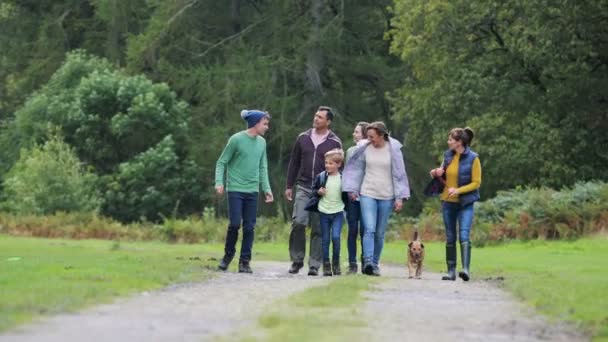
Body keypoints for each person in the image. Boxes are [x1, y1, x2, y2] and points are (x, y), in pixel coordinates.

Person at [343, 121, 410, 276]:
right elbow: (355, 169)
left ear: (382, 135)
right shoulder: (364, 148)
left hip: (387, 195)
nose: (370, 139)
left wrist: (400, 198)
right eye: (368, 136)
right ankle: (367, 261)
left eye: (372, 136)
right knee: (369, 228)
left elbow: (400, 174)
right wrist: (352, 188)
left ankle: (374, 263)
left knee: (379, 232)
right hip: (368, 193)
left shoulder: (393, 150)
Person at [214, 109, 274, 273]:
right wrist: (219, 182)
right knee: (234, 224)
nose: (267, 127)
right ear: (255, 123)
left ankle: (244, 262)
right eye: (265, 124)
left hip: (252, 190)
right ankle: (227, 257)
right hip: (235, 189)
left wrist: (266, 189)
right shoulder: (236, 140)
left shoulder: (262, 143)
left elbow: (263, 167)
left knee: (249, 227)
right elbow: (222, 162)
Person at [285, 106, 342, 276]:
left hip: (322, 191)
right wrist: (289, 185)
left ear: (328, 121)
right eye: (315, 116)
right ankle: (297, 260)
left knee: (318, 228)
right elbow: (294, 163)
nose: (316, 119)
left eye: (320, 117)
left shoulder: (335, 142)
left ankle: (314, 264)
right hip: (303, 187)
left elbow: (340, 168)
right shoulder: (303, 138)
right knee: (299, 222)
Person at [429, 127, 481, 281]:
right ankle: (451, 271)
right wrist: (436, 173)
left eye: (451, 139)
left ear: (459, 142)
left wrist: (458, 190)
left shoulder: (473, 158)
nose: (448, 142)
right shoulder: (447, 156)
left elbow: (476, 183)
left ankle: (465, 269)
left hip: (465, 203)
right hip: (447, 202)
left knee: (464, 234)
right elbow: (444, 177)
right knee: (450, 236)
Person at [308, 149, 347, 276]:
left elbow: (346, 195)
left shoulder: (343, 178)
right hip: (324, 212)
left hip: (338, 212)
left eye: (331, 163)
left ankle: (335, 263)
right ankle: (326, 265)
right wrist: (318, 192)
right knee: (325, 239)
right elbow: (313, 192)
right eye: (326, 163)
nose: (328, 166)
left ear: (338, 164)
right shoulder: (321, 177)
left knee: (335, 237)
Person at [344, 122, 369, 274]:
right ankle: (352, 263)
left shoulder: (371, 151)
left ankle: (366, 261)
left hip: (368, 195)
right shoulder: (350, 151)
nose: (354, 134)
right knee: (352, 229)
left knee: (365, 230)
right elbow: (348, 172)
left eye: (357, 132)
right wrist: (349, 190)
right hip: (353, 196)